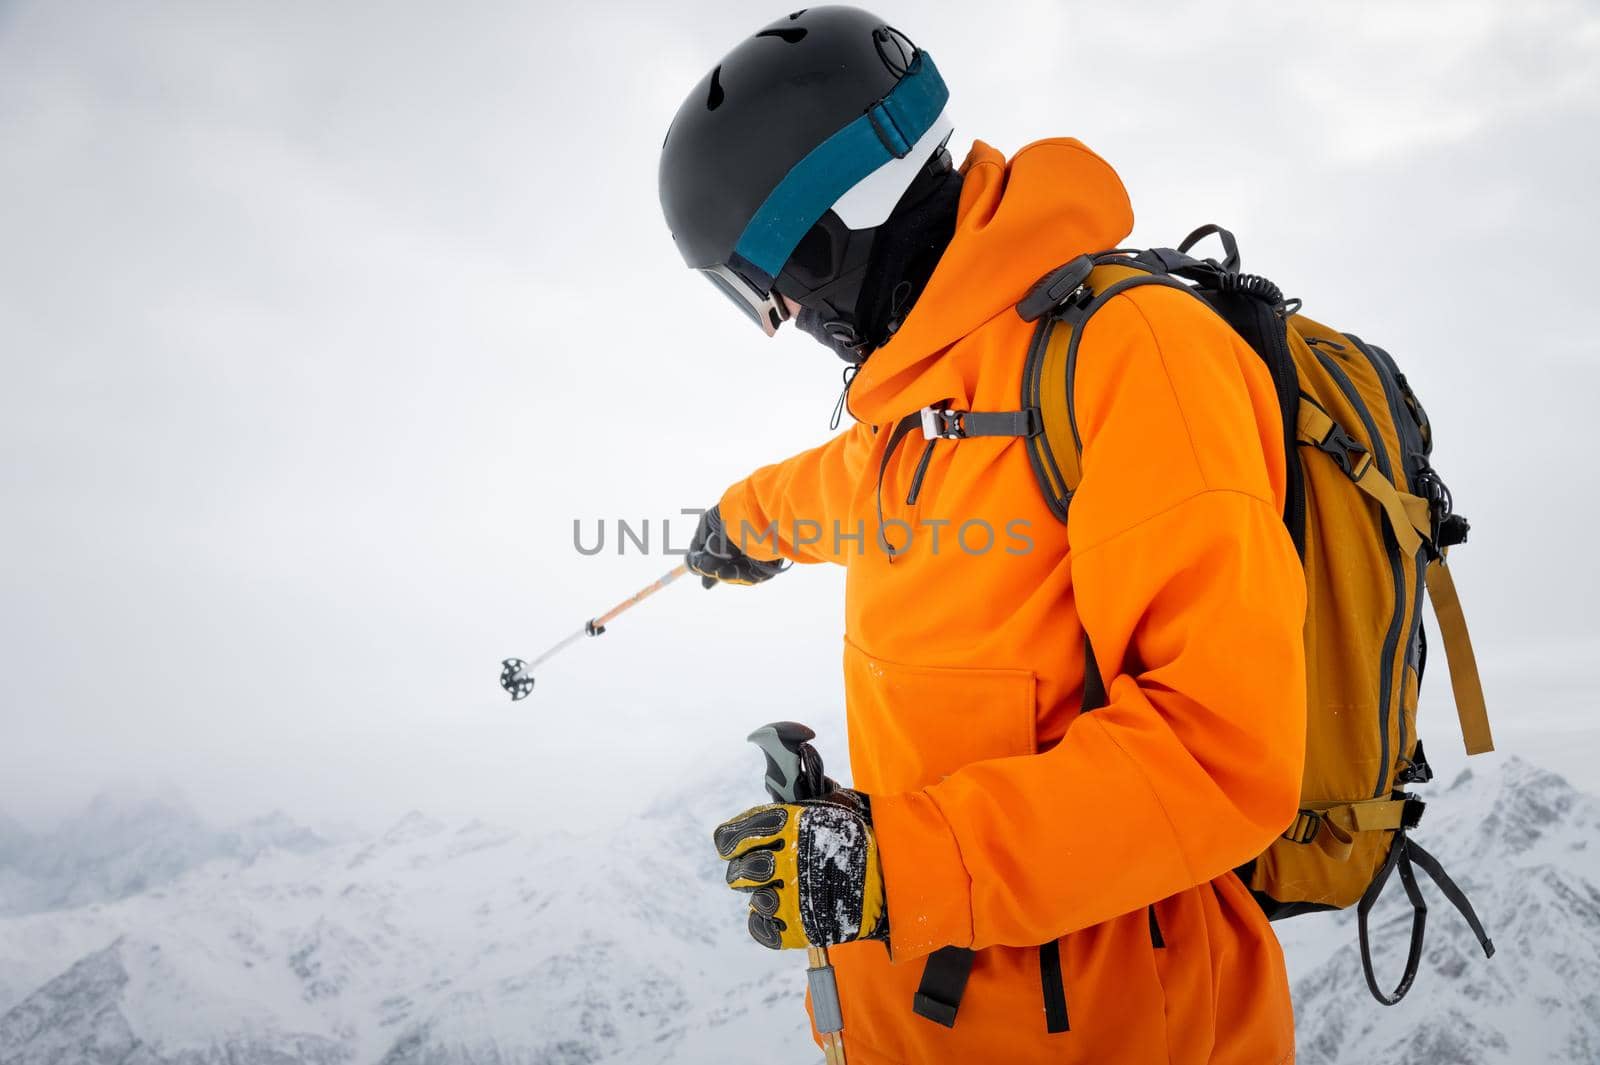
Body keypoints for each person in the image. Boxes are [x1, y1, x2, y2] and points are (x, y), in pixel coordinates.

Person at [660, 8, 1306, 1064]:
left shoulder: (1132, 355)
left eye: (767, 294)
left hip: (1115, 1028)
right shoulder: (931, 399)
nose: (786, 321)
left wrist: (887, 870)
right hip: (922, 1010)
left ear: (820, 242)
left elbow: (1220, 751)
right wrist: (741, 524)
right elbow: (856, 486)